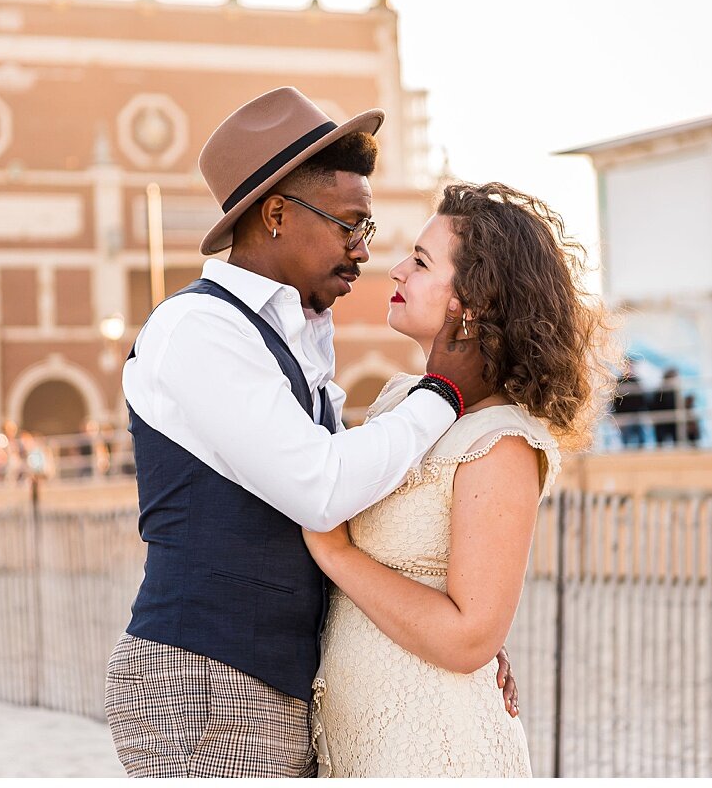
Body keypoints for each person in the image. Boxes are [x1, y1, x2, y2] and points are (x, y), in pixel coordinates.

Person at [105, 87, 502, 777]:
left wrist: (462, 630)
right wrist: (444, 390)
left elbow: (355, 514)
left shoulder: (296, 339)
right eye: (350, 224)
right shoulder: (198, 328)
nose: (362, 251)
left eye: (368, 231)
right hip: (207, 683)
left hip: (267, 683)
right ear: (277, 214)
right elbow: (322, 490)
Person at [303, 182, 612, 776]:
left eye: (420, 262)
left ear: (473, 300)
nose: (394, 270)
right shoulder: (399, 404)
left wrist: (336, 555)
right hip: (359, 733)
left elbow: (470, 637)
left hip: (434, 744)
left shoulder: (500, 443)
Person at [610, 365, 647, 448]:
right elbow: (614, 400)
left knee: (640, 436)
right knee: (626, 437)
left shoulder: (636, 381)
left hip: (635, 413)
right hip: (624, 414)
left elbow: (642, 399)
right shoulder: (619, 381)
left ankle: (641, 454)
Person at [650, 367, 680, 446]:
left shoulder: (674, 390)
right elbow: (654, 405)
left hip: (671, 419)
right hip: (662, 420)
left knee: (675, 441)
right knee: (661, 442)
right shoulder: (661, 390)